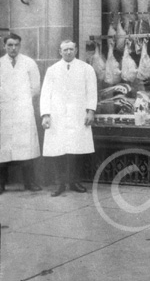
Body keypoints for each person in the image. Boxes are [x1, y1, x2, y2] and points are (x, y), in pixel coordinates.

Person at [40, 40, 97, 197]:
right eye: (65, 50)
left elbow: (92, 91)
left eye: (71, 49)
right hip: (57, 116)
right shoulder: (52, 70)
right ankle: (60, 183)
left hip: (78, 114)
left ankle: (74, 181)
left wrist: (91, 111)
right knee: (58, 150)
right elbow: (45, 93)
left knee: (76, 151)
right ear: (60, 51)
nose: (68, 52)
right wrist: (45, 114)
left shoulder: (86, 69)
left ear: (76, 50)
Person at [0, 33, 42, 193]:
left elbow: (36, 87)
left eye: (16, 45)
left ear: (20, 45)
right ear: (5, 46)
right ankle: (1, 183)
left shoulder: (29, 63)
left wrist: (22, 99)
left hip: (23, 110)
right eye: (10, 45)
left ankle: (29, 182)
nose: (13, 48)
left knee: (27, 145)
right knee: (3, 147)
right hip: (4, 110)